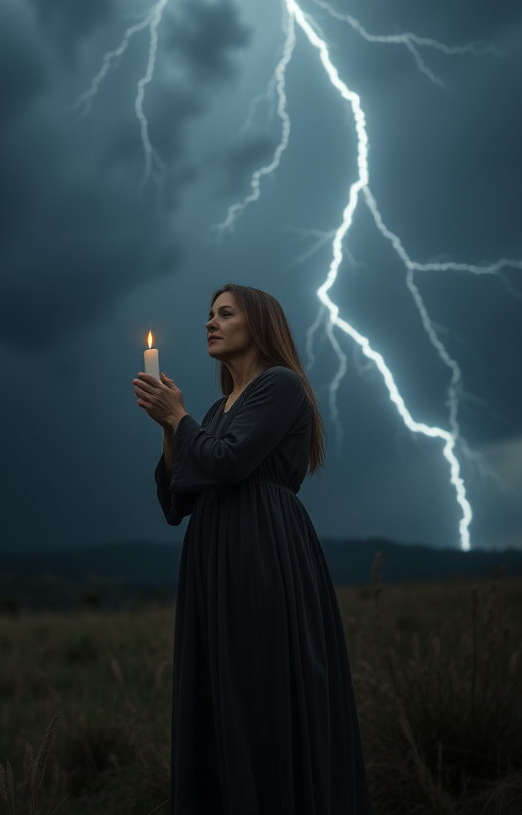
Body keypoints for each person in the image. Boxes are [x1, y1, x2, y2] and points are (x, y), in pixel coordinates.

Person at [132, 284, 371, 815]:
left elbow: (227, 462)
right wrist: (171, 429)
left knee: (260, 687)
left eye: (225, 313)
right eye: (208, 316)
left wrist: (179, 418)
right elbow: (177, 502)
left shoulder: (280, 386)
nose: (211, 323)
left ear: (259, 325)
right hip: (215, 562)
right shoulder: (217, 409)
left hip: (263, 553)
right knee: (221, 695)